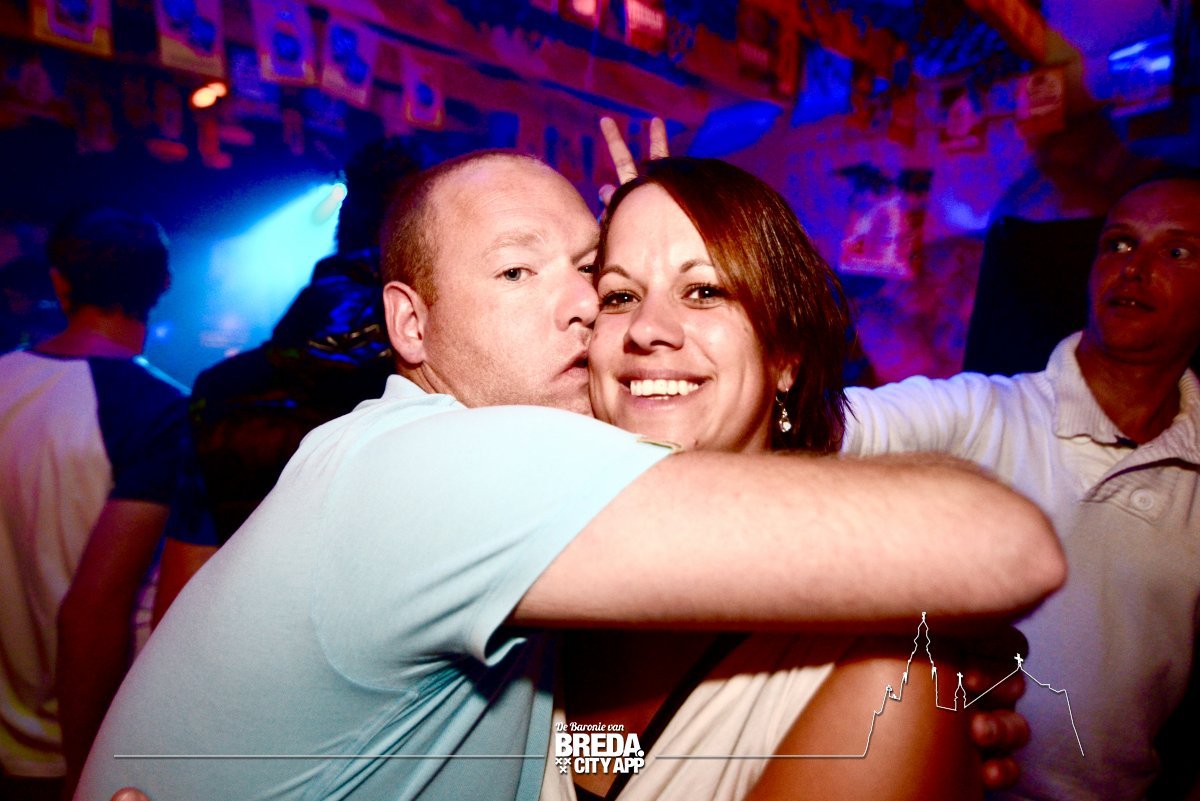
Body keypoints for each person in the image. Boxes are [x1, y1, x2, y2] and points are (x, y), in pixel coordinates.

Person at [77, 151, 1063, 801]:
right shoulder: (465, 483)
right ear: (409, 324)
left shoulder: (861, 668)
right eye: (524, 272)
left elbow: (613, 759)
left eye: (701, 290)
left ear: (787, 356)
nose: (600, 314)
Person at [549, 156, 1013, 801]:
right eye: (619, 297)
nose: (647, 330)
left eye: (704, 291)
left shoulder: (876, 671)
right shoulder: (516, 585)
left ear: (785, 357)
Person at [840, 170, 1200, 800]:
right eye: (1119, 243)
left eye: (1176, 251)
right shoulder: (982, 413)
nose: (1134, 268)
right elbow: (817, 428)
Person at [152, 139, 421, 618]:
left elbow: (184, 578)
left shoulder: (224, 388)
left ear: (341, 226)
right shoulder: (436, 375)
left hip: (244, 639)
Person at [0, 207, 187, 800]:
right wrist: (89, 778)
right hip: (79, 747)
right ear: (163, 284)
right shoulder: (160, 411)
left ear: (59, 283)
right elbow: (93, 614)